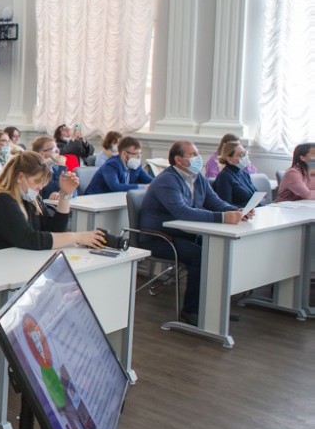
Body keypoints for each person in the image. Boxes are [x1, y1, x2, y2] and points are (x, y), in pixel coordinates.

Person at [139, 141, 244, 324]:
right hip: (159, 238)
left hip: (183, 234)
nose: (198, 158)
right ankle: (190, 311)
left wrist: (236, 210)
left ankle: (213, 307)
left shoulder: (197, 177)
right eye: (193, 154)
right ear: (179, 160)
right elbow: (182, 211)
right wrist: (222, 218)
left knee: (219, 250)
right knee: (200, 256)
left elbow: (215, 202)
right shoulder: (167, 180)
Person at [0, 152, 104, 257]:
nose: (40, 188)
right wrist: (76, 237)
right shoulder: (1, 200)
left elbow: (54, 229)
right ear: (20, 177)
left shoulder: (30, 197)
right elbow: (30, 239)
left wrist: (65, 195)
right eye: (36, 182)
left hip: (0, 262)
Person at [85, 136, 153, 194]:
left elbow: (151, 181)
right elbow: (116, 187)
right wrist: (143, 187)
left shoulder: (136, 166)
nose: (139, 158)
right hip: (94, 200)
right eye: (136, 154)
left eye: (140, 154)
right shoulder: (112, 165)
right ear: (124, 154)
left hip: (115, 200)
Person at [211, 140, 261, 208]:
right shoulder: (224, 177)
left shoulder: (245, 174)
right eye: (241, 155)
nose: (245, 157)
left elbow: (255, 196)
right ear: (229, 159)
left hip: (254, 212)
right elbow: (225, 205)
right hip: (239, 215)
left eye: (245, 153)